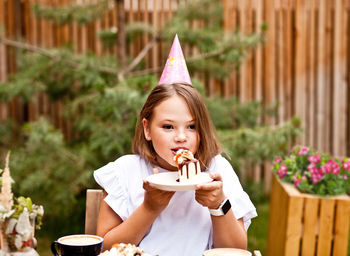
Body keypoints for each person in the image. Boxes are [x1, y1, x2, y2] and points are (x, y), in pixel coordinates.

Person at [94, 35, 257, 256]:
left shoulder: (217, 170)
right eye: (168, 127)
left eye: (191, 127)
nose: (181, 137)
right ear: (147, 129)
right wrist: (150, 208)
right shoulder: (126, 172)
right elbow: (104, 248)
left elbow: (237, 251)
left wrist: (219, 205)